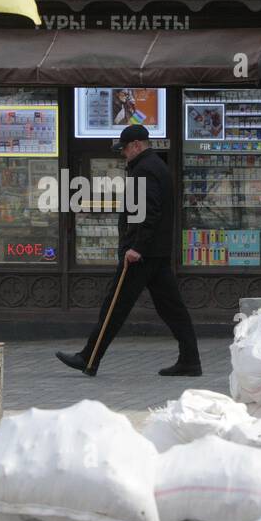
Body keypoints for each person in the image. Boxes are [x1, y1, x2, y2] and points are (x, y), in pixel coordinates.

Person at [56, 124, 202, 377]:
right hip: (155, 253)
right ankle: (190, 360)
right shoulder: (156, 166)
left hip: (142, 255)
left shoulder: (144, 170)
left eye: (124, 149)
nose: (123, 154)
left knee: (115, 305)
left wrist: (136, 247)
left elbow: (148, 213)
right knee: (172, 309)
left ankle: (88, 358)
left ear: (136, 145)